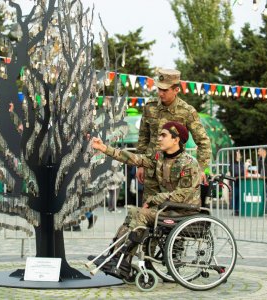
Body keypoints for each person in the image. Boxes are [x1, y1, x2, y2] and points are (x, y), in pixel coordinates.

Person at [90, 121, 201, 277]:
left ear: (176, 140)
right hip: (168, 207)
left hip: (184, 211)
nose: (159, 138)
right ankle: (114, 256)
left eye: (164, 135)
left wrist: (156, 198)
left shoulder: (189, 164)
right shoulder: (159, 157)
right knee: (133, 213)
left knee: (140, 214)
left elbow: (184, 194)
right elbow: (134, 159)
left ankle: (123, 262)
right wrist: (104, 148)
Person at [136, 68, 211, 202]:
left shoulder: (187, 111)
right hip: (151, 169)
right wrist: (140, 165)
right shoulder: (149, 107)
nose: (160, 93)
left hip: (174, 172)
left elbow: (203, 141)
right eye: (159, 89)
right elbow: (143, 137)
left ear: (176, 90)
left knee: (173, 212)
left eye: (165, 90)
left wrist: (200, 169)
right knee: (148, 211)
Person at [229, 150, 244, 216]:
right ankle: (234, 210)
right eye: (238, 153)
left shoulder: (241, 163)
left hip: (241, 181)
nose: (240, 154)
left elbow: (243, 172)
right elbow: (236, 172)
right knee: (235, 195)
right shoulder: (232, 164)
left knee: (239, 195)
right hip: (235, 182)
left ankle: (238, 210)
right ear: (235, 155)